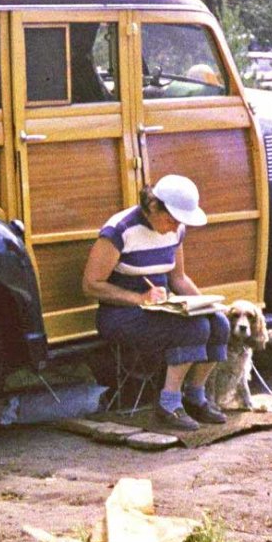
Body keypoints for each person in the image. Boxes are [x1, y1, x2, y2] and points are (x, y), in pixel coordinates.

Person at [82, 174, 230, 431]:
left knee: (218, 324)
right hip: (121, 313)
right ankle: (168, 405)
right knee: (194, 329)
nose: (175, 227)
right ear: (153, 207)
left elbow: (178, 278)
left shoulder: (175, 229)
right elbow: (90, 285)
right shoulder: (120, 230)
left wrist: (207, 305)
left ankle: (195, 397)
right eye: (171, 219)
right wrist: (139, 298)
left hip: (159, 307)